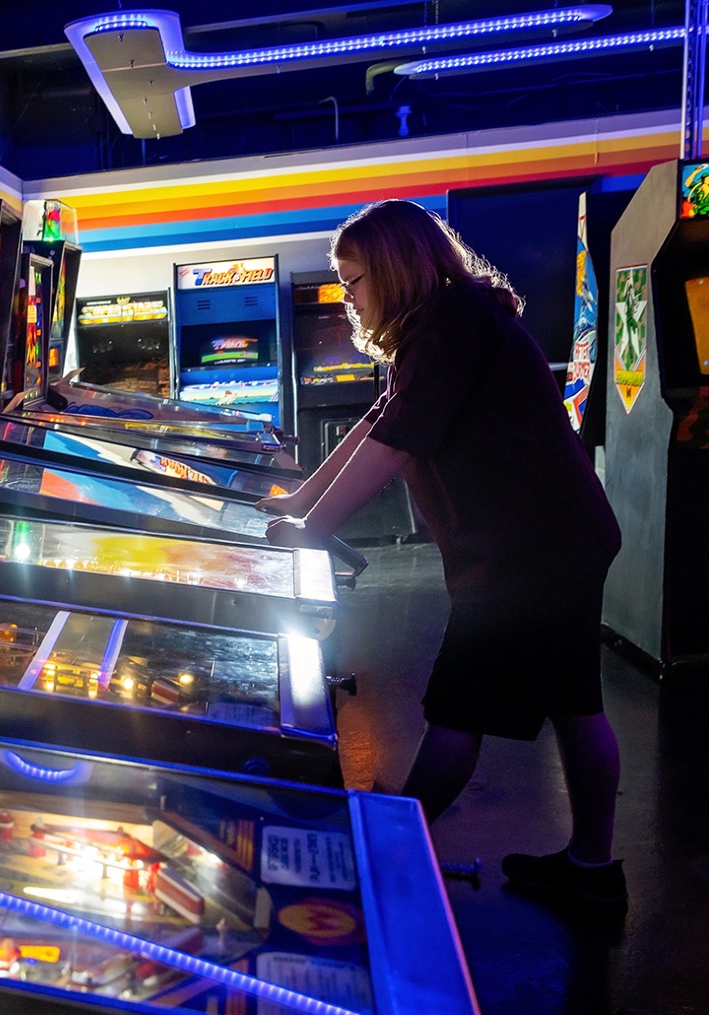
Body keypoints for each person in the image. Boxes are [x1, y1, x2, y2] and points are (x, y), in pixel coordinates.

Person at [259, 199, 626, 909]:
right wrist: (300, 504)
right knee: (576, 704)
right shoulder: (443, 326)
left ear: (394, 272)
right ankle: (592, 869)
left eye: (353, 279)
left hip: (529, 555)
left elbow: (394, 447)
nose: (347, 296)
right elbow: (377, 426)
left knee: (459, 711)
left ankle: (385, 859)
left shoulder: (455, 325)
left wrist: (308, 529)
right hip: (552, 540)